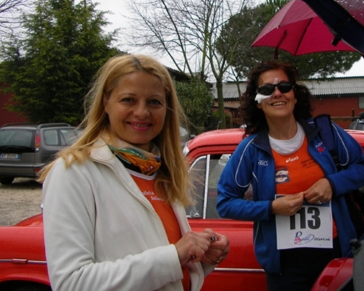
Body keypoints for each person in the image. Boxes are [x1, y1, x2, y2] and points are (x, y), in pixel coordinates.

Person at [38, 54, 229, 291]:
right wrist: (174, 256)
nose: (142, 112)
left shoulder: (161, 172)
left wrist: (199, 256)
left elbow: (163, 269)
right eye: (128, 100)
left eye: (154, 102)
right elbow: (71, 283)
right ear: (106, 103)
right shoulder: (73, 172)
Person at [216, 61, 364, 290]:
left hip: (337, 255)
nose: (277, 93)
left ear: (295, 95)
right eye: (267, 90)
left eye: (284, 86)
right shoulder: (250, 148)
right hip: (285, 267)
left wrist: (332, 183)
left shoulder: (325, 132)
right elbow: (225, 202)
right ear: (258, 103)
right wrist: (270, 208)